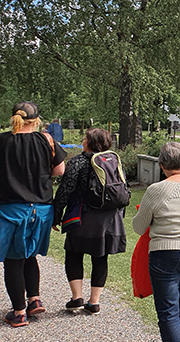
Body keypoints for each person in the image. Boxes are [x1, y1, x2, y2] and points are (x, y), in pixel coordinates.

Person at [133, 142, 180, 342]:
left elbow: (139, 227)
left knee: (168, 310)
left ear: (162, 165)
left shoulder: (157, 190)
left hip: (166, 252)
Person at [0, 101, 67, 327]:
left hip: (12, 209)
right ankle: (34, 299)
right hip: (42, 209)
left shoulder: (3, 141)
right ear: (36, 120)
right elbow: (59, 170)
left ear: (14, 119)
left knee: (12, 259)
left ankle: (19, 312)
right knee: (29, 254)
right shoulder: (46, 140)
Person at [52, 128, 126, 315]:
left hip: (82, 217)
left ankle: (77, 298)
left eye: (85, 138)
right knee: (100, 257)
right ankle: (94, 302)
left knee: (73, 253)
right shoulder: (113, 161)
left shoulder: (77, 162)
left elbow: (65, 190)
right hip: (108, 219)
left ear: (90, 142)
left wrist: (57, 214)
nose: (82, 140)